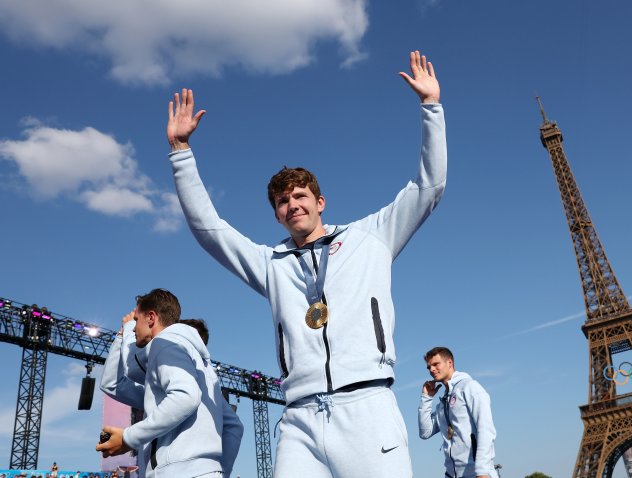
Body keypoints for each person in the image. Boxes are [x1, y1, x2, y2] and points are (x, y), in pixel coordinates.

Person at [166, 50, 445, 478]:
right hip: (299, 417)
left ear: (320, 202)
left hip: (366, 408)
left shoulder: (370, 237)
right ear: (276, 214)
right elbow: (209, 230)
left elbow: (429, 186)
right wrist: (181, 151)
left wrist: (431, 107)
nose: (292, 204)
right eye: (282, 201)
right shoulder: (271, 263)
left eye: (300, 196)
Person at [96, 289, 243, 477]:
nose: (133, 329)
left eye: (137, 321)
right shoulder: (204, 373)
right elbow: (113, 384)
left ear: (151, 317)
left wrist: (128, 438)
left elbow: (185, 397)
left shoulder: (165, 342)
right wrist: (218, 471)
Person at [418, 347, 497, 478]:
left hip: (477, 474)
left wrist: (482, 471)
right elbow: (425, 432)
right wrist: (426, 398)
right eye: (429, 367)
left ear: (450, 363)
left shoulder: (470, 387)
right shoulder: (442, 403)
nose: (431, 369)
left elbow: (486, 430)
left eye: (436, 364)